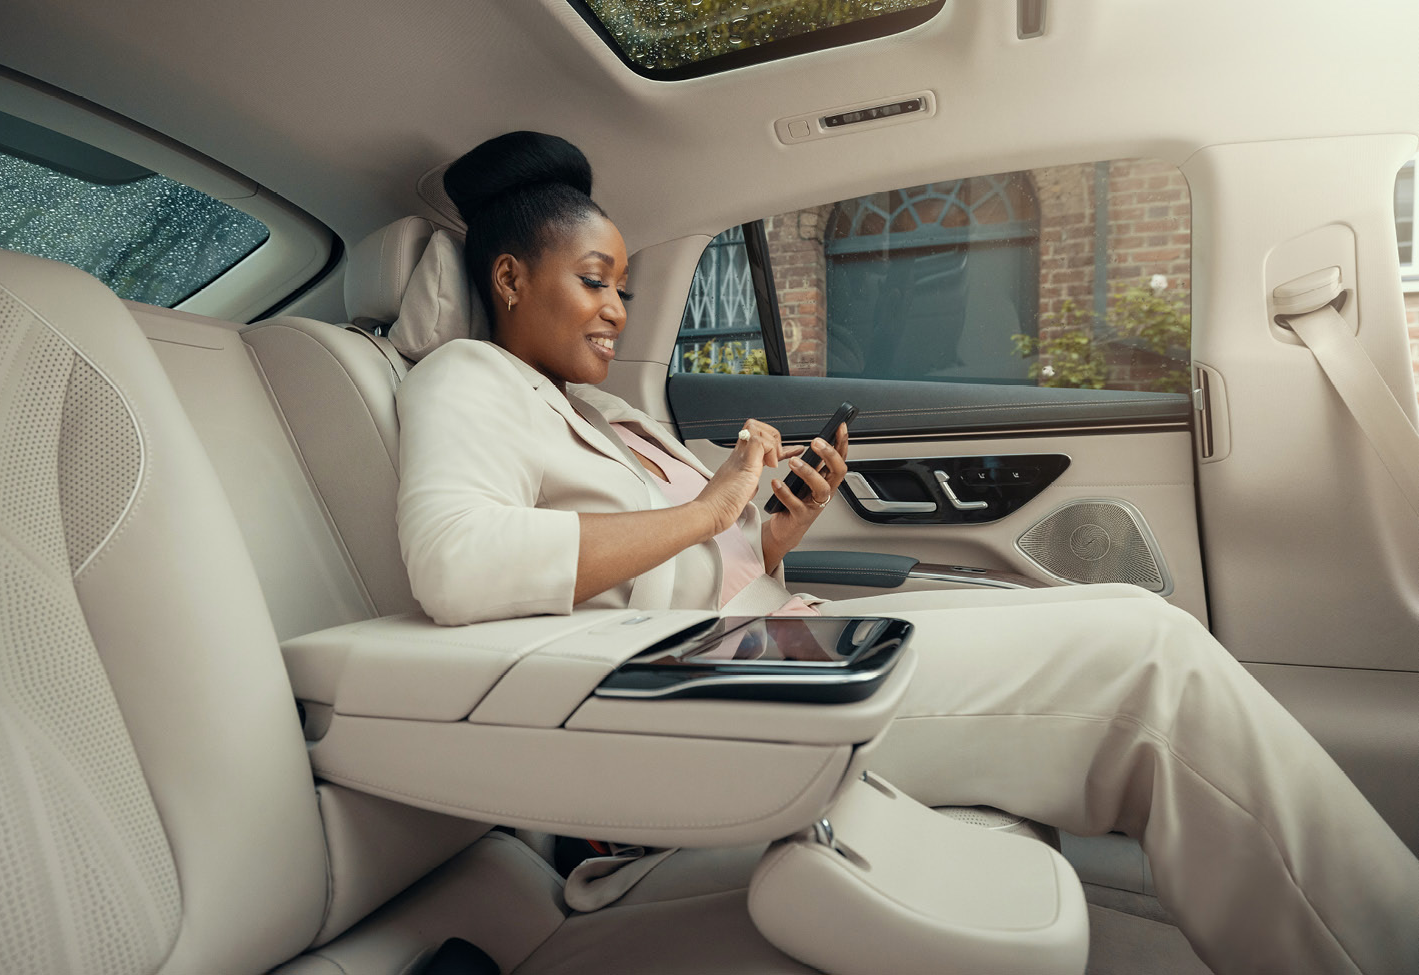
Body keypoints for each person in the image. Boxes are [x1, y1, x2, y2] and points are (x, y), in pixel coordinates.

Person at [394, 131, 1419, 975]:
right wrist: (712, 511)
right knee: (1148, 661)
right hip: (708, 702)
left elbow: (683, 560)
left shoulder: (610, 414)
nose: (619, 307)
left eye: (626, 286)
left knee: (1127, 622)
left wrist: (767, 533)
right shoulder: (464, 382)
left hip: (773, 648)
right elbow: (458, 562)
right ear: (511, 275)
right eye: (596, 281)